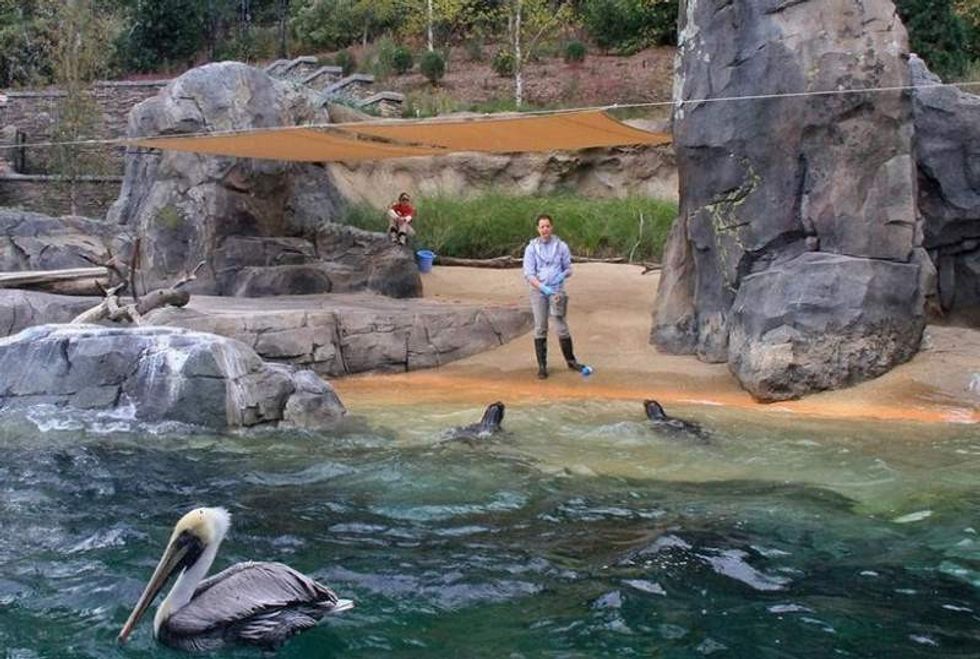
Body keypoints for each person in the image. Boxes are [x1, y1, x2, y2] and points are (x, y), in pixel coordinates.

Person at [522, 213, 588, 379]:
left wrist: (561, 276)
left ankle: (571, 361)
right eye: (542, 226)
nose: (545, 229)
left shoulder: (561, 246)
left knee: (560, 325)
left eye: (547, 226)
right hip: (539, 291)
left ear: (552, 227)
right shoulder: (531, 248)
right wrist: (543, 287)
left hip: (557, 290)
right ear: (538, 229)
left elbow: (568, 268)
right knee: (541, 326)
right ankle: (542, 366)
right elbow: (529, 274)